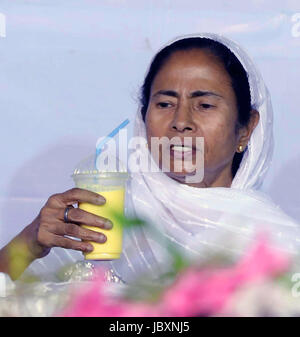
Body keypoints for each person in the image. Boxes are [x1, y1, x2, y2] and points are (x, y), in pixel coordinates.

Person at [0, 33, 299, 283]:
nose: (181, 121)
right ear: (144, 120)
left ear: (245, 129)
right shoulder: (102, 218)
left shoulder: (277, 244)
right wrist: (30, 243)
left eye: (205, 105)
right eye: (165, 103)